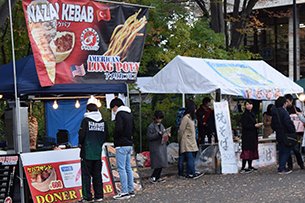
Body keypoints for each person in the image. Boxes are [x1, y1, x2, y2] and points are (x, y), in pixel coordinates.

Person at [78, 98, 107, 202]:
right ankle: (99, 196)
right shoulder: (103, 122)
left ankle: (87, 197)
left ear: (88, 111)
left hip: (87, 152)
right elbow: (105, 136)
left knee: (86, 176)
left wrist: (80, 144)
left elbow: (81, 135)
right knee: (97, 175)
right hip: (98, 152)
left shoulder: (86, 121)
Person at [110, 98, 135, 200]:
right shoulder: (129, 114)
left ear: (115, 106)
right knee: (128, 167)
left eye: (112, 109)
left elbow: (118, 129)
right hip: (129, 144)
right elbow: (134, 128)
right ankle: (131, 189)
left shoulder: (120, 114)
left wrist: (115, 136)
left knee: (121, 168)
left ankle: (124, 191)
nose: (113, 111)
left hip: (121, 144)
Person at [178, 100, 203, 179]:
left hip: (191, 140)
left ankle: (189, 172)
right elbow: (181, 130)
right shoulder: (186, 118)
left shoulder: (192, 118)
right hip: (186, 140)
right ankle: (191, 173)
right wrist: (179, 140)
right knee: (189, 157)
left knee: (190, 156)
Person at [271, 96, 296, 174]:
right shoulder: (284, 112)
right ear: (284, 103)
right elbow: (288, 123)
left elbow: (273, 125)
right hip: (286, 134)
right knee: (286, 151)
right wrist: (292, 130)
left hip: (279, 133)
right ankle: (281, 168)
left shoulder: (274, 112)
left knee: (281, 150)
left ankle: (282, 167)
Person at [239, 100, 263, 173]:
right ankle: (243, 167)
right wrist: (254, 126)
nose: (249, 105)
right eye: (247, 104)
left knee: (252, 150)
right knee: (246, 151)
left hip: (253, 135)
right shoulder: (244, 115)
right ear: (245, 106)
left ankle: (250, 165)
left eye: (250, 104)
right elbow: (245, 125)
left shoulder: (252, 114)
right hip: (247, 135)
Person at [147, 110, 169, 183]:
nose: (159, 120)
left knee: (161, 163)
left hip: (161, 145)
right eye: (158, 118)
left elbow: (163, 132)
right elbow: (149, 137)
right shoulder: (151, 126)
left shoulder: (161, 125)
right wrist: (158, 134)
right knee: (158, 163)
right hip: (155, 146)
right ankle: (153, 176)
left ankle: (157, 177)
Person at [284, 94, 304, 170]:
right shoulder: (284, 110)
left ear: (291, 101)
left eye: (287, 101)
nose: (286, 103)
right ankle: (290, 165)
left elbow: (302, 120)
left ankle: (301, 163)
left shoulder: (297, 109)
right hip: (288, 132)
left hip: (297, 132)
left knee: (296, 149)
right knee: (288, 150)